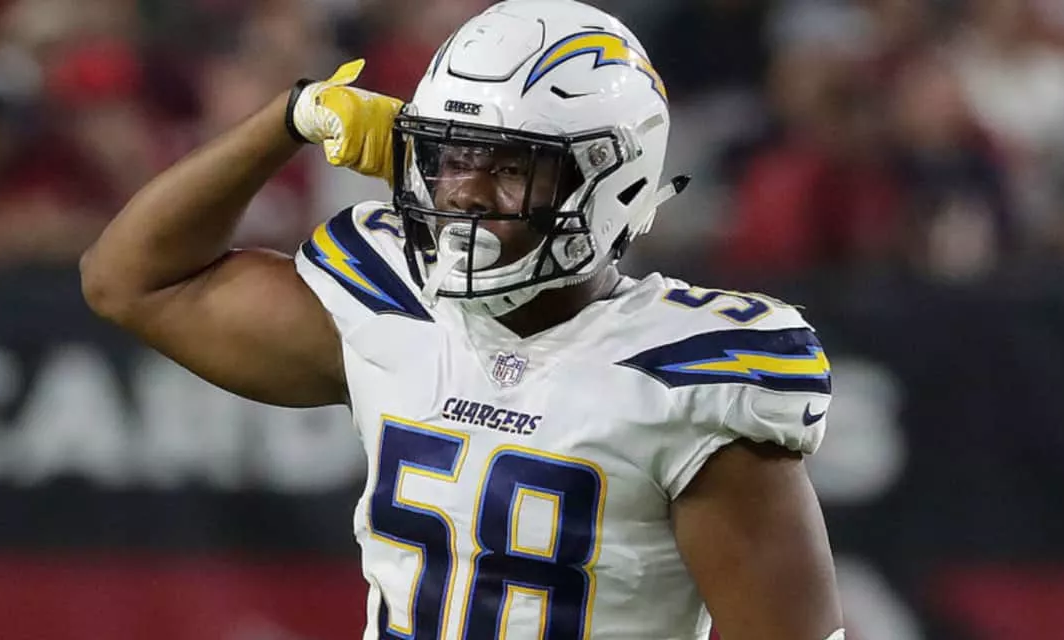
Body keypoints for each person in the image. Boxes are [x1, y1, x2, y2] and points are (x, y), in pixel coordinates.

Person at [80, 1, 844, 638]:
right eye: (452, 158)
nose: (468, 194)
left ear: (612, 180)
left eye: (510, 166)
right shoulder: (393, 306)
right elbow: (128, 282)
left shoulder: (681, 380)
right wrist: (290, 117)